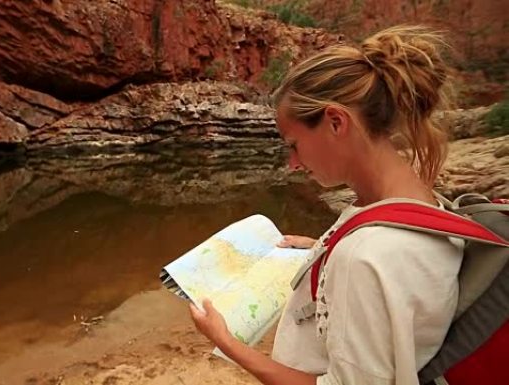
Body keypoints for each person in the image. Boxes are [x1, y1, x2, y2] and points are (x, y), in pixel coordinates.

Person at [189, 25, 464, 385]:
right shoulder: (422, 204)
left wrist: (227, 342)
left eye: (294, 144)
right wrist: (322, 248)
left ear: (336, 122)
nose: (293, 163)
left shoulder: (365, 256)